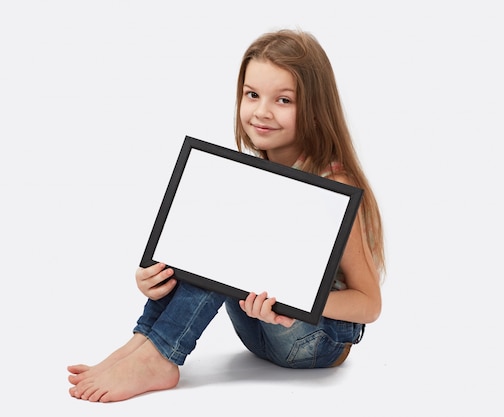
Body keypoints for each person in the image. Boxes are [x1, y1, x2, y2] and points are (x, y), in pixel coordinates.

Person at [67, 28, 385, 403]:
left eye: (283, 100)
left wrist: (295, 302)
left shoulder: (333, 181)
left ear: (315, 109)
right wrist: (159, 276)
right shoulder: (250, 175)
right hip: (258, 333)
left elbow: (369, 304)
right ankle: (143, 343)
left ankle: (160, 356)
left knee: (229, 241)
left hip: (314, 342)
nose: (261, 111)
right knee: (215, 236)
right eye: (252, 95)